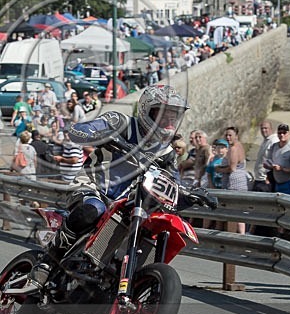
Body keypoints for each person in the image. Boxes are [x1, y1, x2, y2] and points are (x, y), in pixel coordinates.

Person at [23, 85, 191, 292]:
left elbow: (173, 183)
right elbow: (77, 131)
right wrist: (100, 135)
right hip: (92, 186)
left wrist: (191, 195)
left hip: (127, 202)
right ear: (147, 110)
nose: (168, 122)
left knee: (150, 229)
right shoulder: (121, 123)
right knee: (94, 209)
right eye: (163, 115)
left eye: (173, 117)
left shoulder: (166, 152)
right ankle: (46, 263)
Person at [266, 123, 290, 195]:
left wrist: (282, 169)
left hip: (289, 183)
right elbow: (269, 160)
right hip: (277, 183)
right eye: (280, 133)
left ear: (289, 134)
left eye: (284, 133)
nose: (282, 135)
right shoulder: (274, 146)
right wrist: (269, 166)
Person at [253, 120, 278, 192]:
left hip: (265, 180)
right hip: (259, 178)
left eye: (266, 128)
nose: (264, 130)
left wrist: (268, 177)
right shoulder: (266, 140)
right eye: (262, 128)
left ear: (271, 129)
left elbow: (275, 160)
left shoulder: (274, 141)